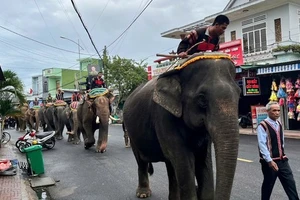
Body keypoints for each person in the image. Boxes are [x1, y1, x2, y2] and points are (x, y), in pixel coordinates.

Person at [257, 102, 299, 200]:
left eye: (278, 110)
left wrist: (282, 153)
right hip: (270, 162)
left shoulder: (279, 124)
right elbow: (262, 144)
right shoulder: (262, 126)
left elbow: (281, 141)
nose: (277, 113)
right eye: (274, 110)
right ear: (268, 111)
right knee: (268, 184)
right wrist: (269, 160)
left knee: (290, 183)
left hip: (282, 160)